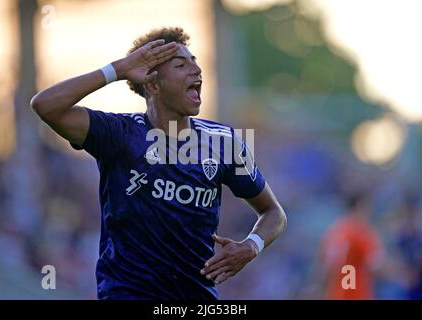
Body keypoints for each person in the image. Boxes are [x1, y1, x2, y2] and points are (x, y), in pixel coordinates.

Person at [30, 27, 287, 300]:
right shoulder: (119, 134)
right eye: (180, 65)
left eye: (194, 61)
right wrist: (117, 69)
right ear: (153, 85)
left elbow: (274, 213)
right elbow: (45, 105)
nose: (196, 70)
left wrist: (252, 246)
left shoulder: (224, 143)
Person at [320, 192, 383, 299]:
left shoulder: (335, 230)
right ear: (360, 206)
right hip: (356, 294)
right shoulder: (362, 231)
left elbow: (325, 266)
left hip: (336, 295)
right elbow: (376, 265)